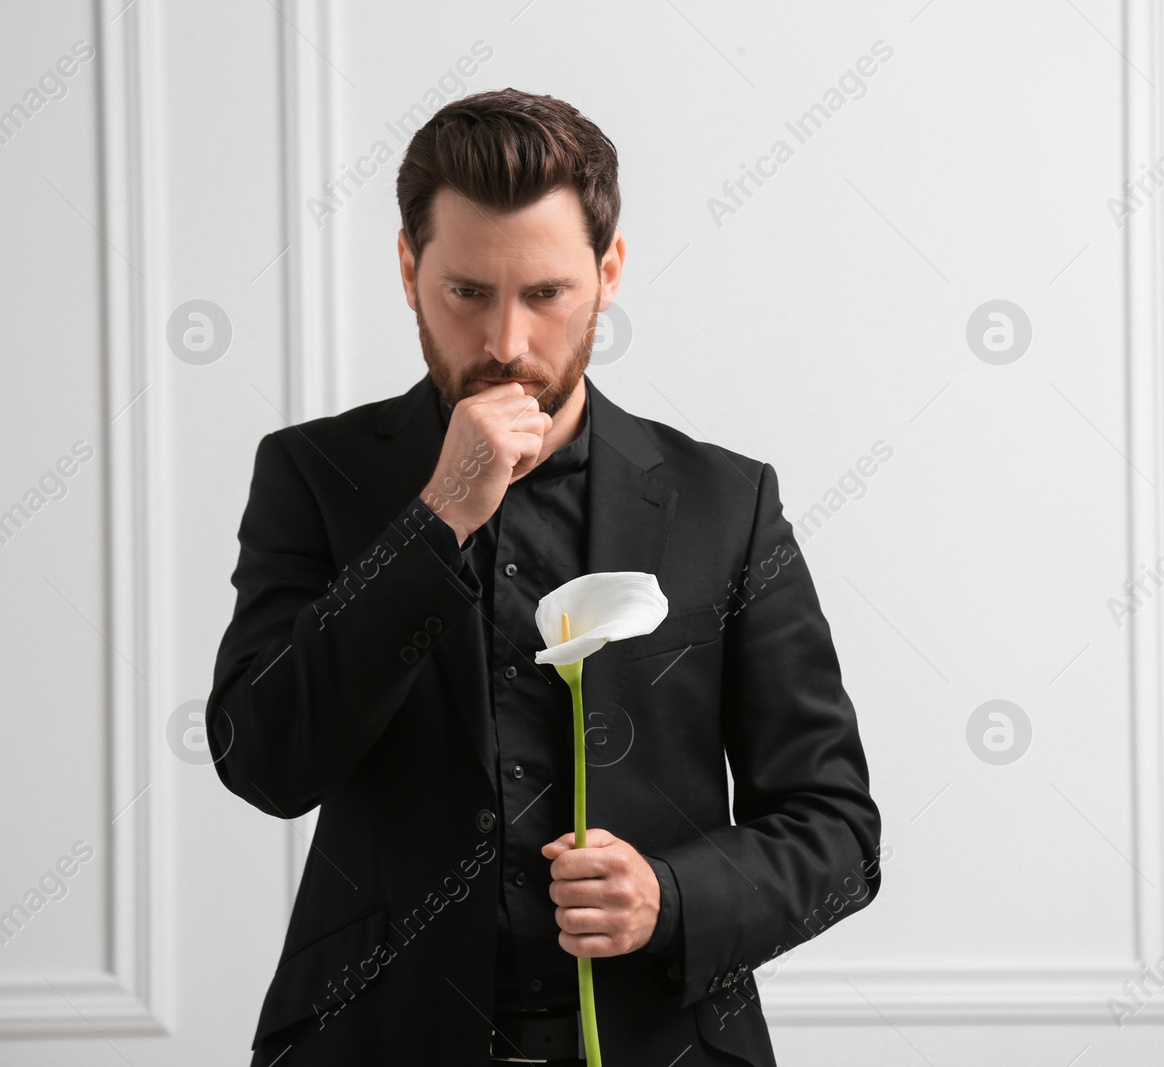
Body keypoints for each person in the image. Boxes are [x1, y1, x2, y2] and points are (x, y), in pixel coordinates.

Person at [205, 88, 883, 1067]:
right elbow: (263, 758)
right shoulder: (316, 476)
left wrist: (670, 895)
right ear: (408, 270)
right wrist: (435, 521)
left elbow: (835, 831)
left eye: (547, 294)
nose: (506, 344)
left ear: (607, 273)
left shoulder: (725, 503)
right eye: (466, 292)